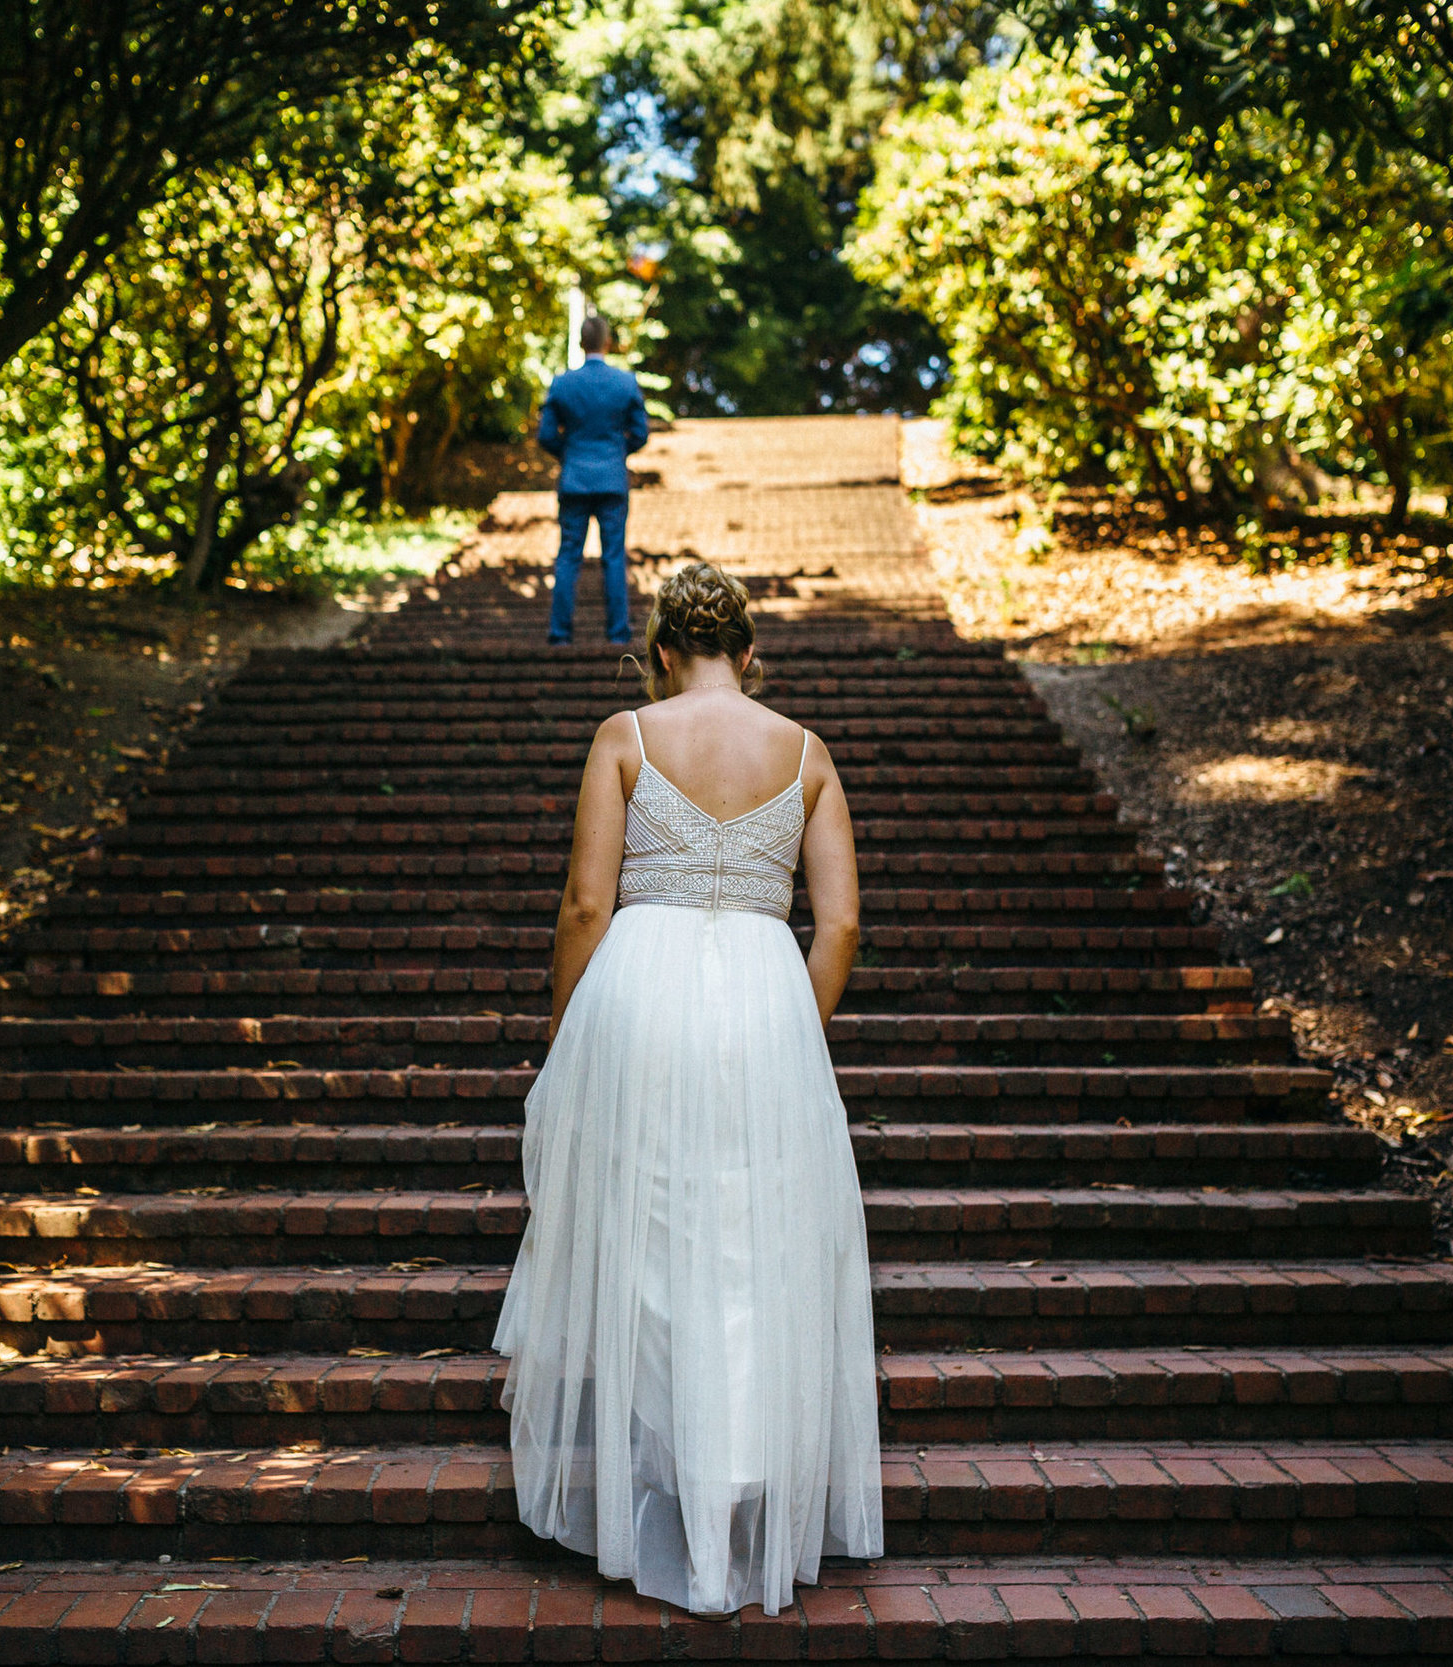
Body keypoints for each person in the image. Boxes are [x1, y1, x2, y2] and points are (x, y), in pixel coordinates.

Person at [493, 561, 883, 1617]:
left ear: (661, 651)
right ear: (748, 652)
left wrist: (564, 1030)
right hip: (763, 994)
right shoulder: (804, 752)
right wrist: (791, 1031)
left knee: (653, 1240)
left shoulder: (625, 734)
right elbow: (839, 924)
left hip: (640, 994)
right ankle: (730, 1504)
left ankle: (674, 1495)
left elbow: (584, 901)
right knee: (751, 1248)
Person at [537, 316, 652, 645]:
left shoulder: (562, 384)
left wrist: (570, 454)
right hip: (612, 481)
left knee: (568, 556)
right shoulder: (625, 382)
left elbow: (545, 435)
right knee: (614, 556)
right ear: (608, 342)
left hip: (574, 479)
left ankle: (560, 634)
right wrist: (617, 454)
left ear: (581, 343)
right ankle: (618, 634)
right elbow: (641, 433)